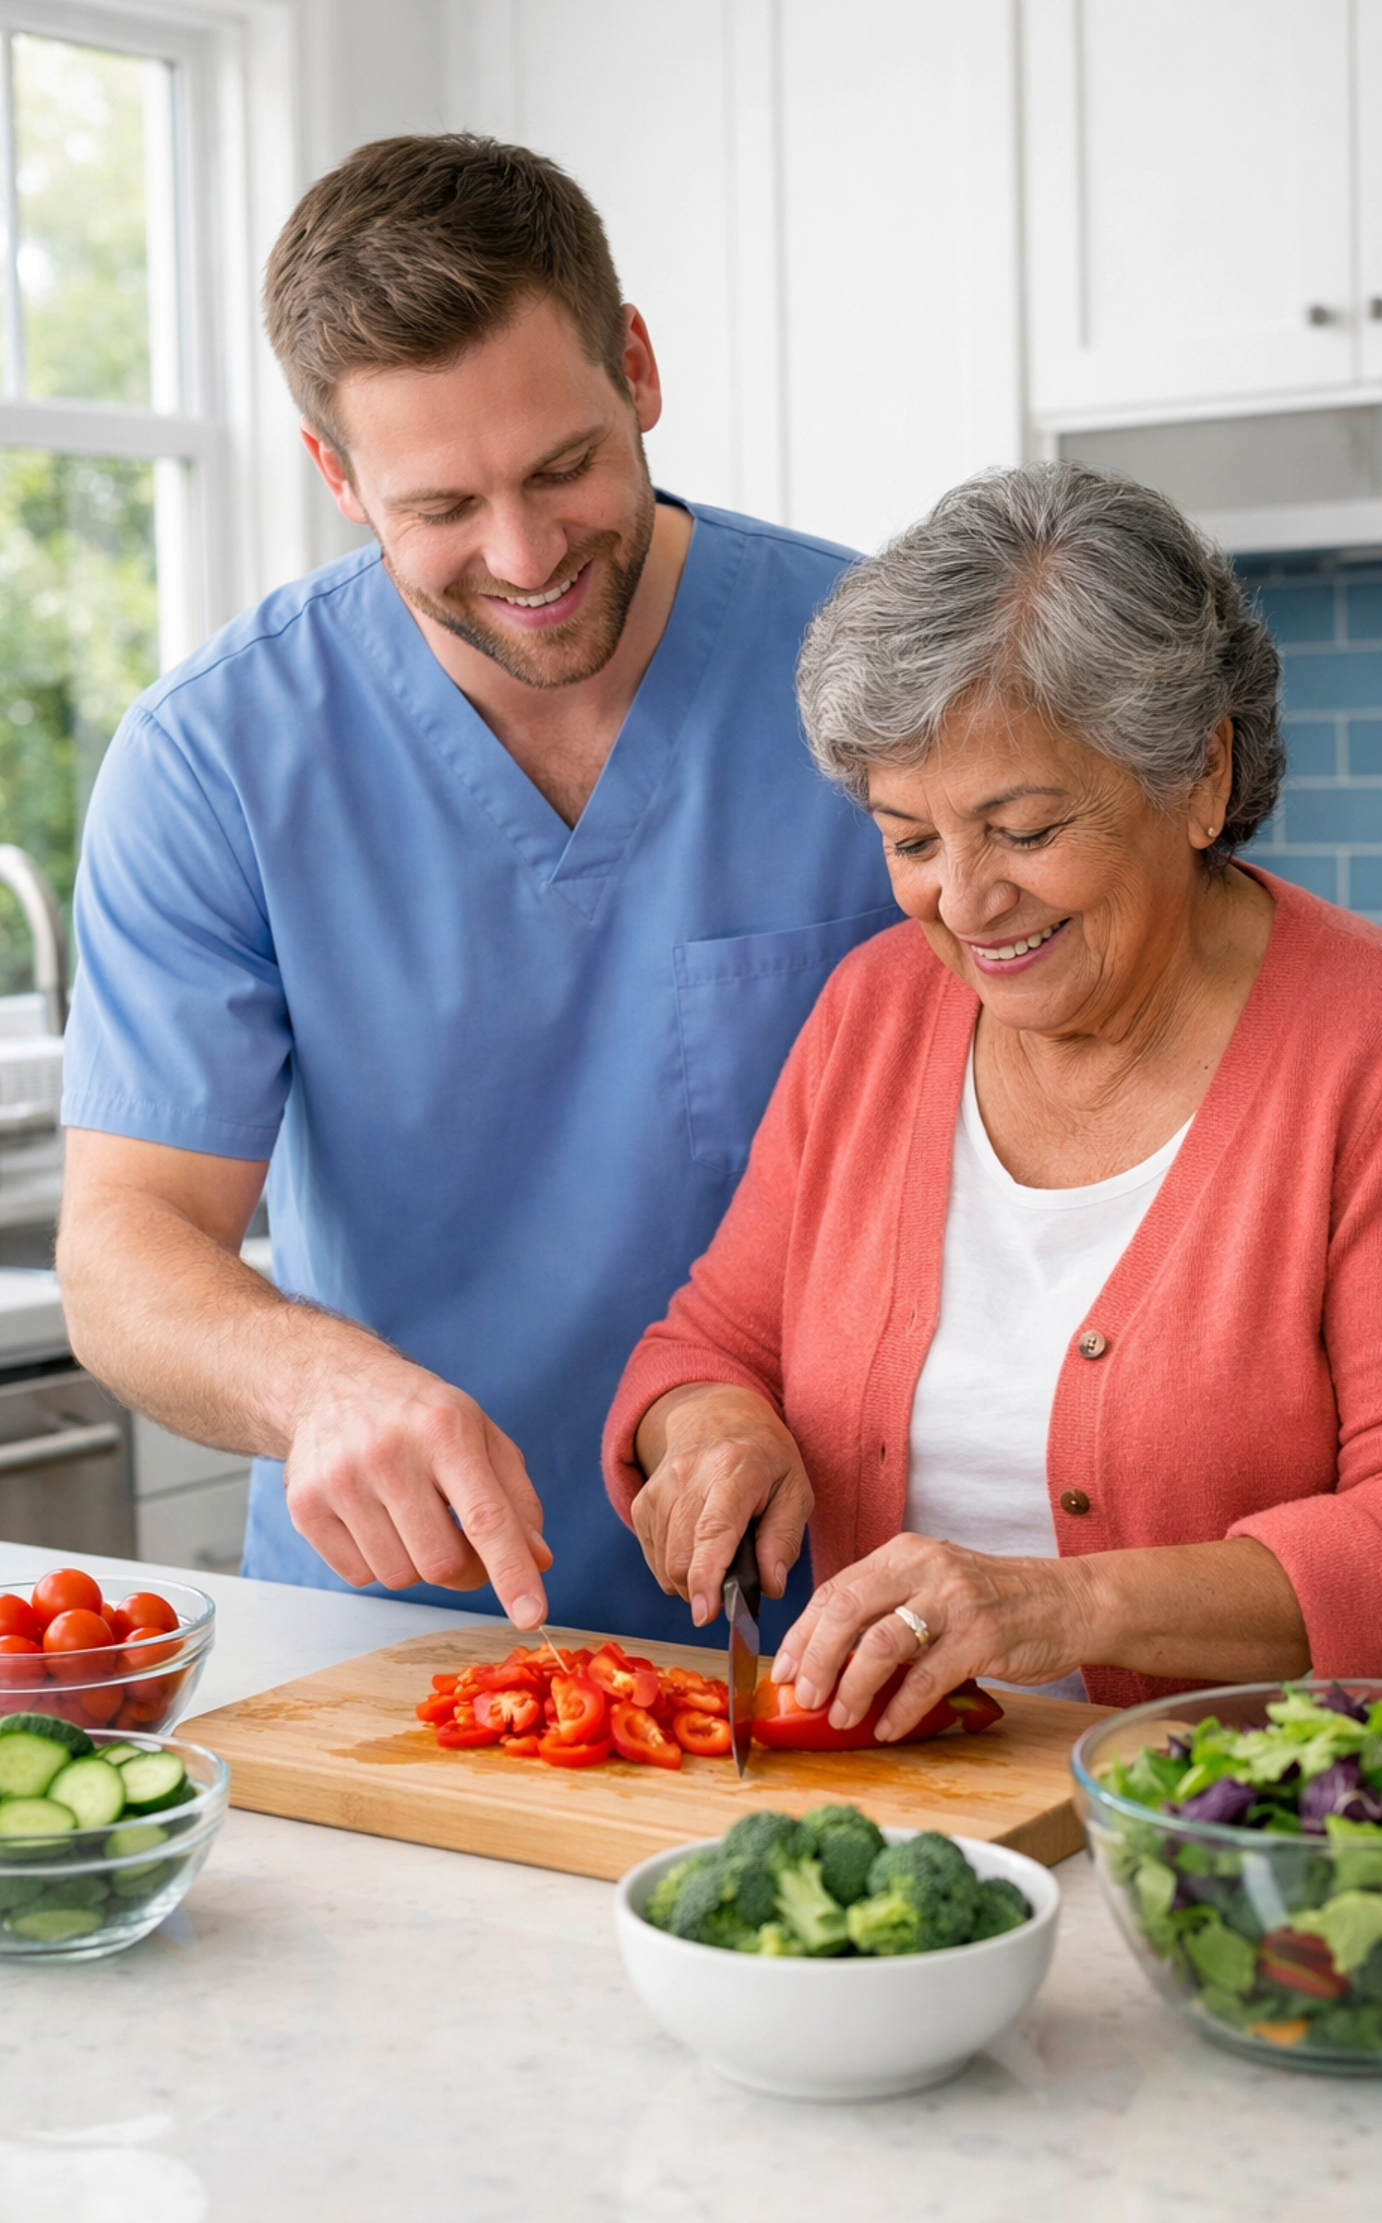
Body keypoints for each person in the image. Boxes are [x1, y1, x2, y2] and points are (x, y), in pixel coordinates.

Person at [56, 133, 896, 1640]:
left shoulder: (880, 673)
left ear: (636, 368)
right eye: (441, 506)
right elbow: (126, 1246)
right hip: (393, 1631)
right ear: (335, 474)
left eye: (564, 467)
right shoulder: (215, 758)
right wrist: (313, 1382)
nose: (524, 554)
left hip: (827, 1615)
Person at [604, 461, 1382, 1716]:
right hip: (913, 1805)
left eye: (1023, 831)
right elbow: (712, 1343)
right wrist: (709, 1428)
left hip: (1240, 1811)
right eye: (912, 839)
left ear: (1201, 777)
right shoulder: (872, 1013)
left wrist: (1062, 1607)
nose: (965, 903)